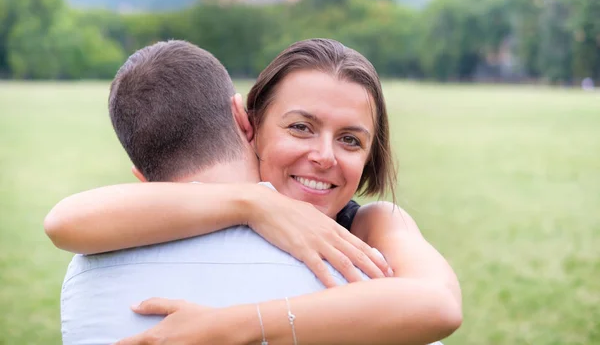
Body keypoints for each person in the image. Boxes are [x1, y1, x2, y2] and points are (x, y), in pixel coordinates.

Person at [46, 38, 461, 344]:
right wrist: (253, 203)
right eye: (301, 127)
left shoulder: (374, 223)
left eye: (351, 140)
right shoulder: (226, 208)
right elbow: (65, 222)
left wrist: (238, 325)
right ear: (249, 126)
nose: (324, 156)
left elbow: (439, 304)